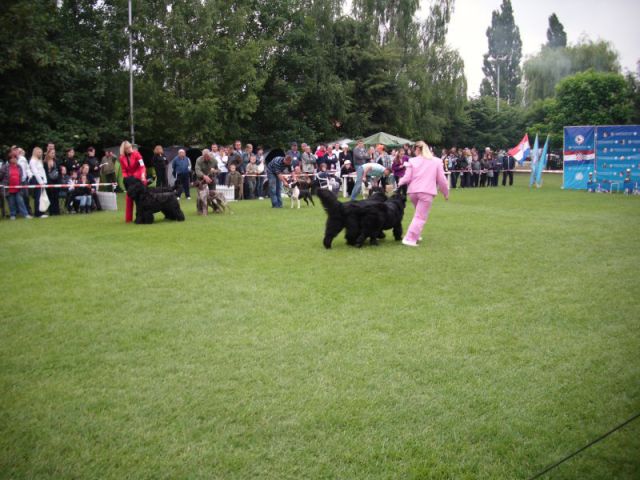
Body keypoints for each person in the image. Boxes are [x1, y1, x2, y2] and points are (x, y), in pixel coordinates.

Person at [397, 141, 449, 247]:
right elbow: (442, 180)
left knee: (418, 214)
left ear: (418, 149)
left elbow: (407, 177)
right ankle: (409, 239)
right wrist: (445, 192)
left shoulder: (412, 161)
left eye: (415, 149)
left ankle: (416, 235)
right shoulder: (436, 161)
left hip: (413, 192)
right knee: (420, 217)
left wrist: (399, 183)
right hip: (426, 192)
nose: (414, 151)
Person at [119, 140, 147, 223]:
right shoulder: (121, 158)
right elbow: (124, 170)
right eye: (127, 148)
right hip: (130, 180)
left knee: (141, 199)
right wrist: (126, 178)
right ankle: (128, 219)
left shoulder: (137, 154)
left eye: (130, 147)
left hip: (139, 178)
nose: (129, 149)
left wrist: (142, 175)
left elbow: (142, 166)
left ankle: (142, 217)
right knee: (129, 198)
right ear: (124, 149)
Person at [0, 149, 32, 220]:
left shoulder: (19, 167)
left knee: (20, 201)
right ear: (9, 159)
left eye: (15, 157)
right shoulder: (5, 167)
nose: (14, 159)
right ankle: (12, 215)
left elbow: (21, 176)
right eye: (13, 158)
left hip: (18, 188)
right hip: (8, 189)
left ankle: (25, 214)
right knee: (11, 202)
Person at [29, 147, 48, 218]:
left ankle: (41, 212)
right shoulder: (32, 161)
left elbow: (42, 171)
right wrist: (41, 182)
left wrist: (45, 181)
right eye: (39, 152)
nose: (41, 153)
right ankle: (38, 213)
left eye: (41, 152)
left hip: (42, 179)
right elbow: (35, 172)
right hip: (37, 180)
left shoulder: (39, 160)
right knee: (38, 197)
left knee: (41, 197)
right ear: (35, 152)